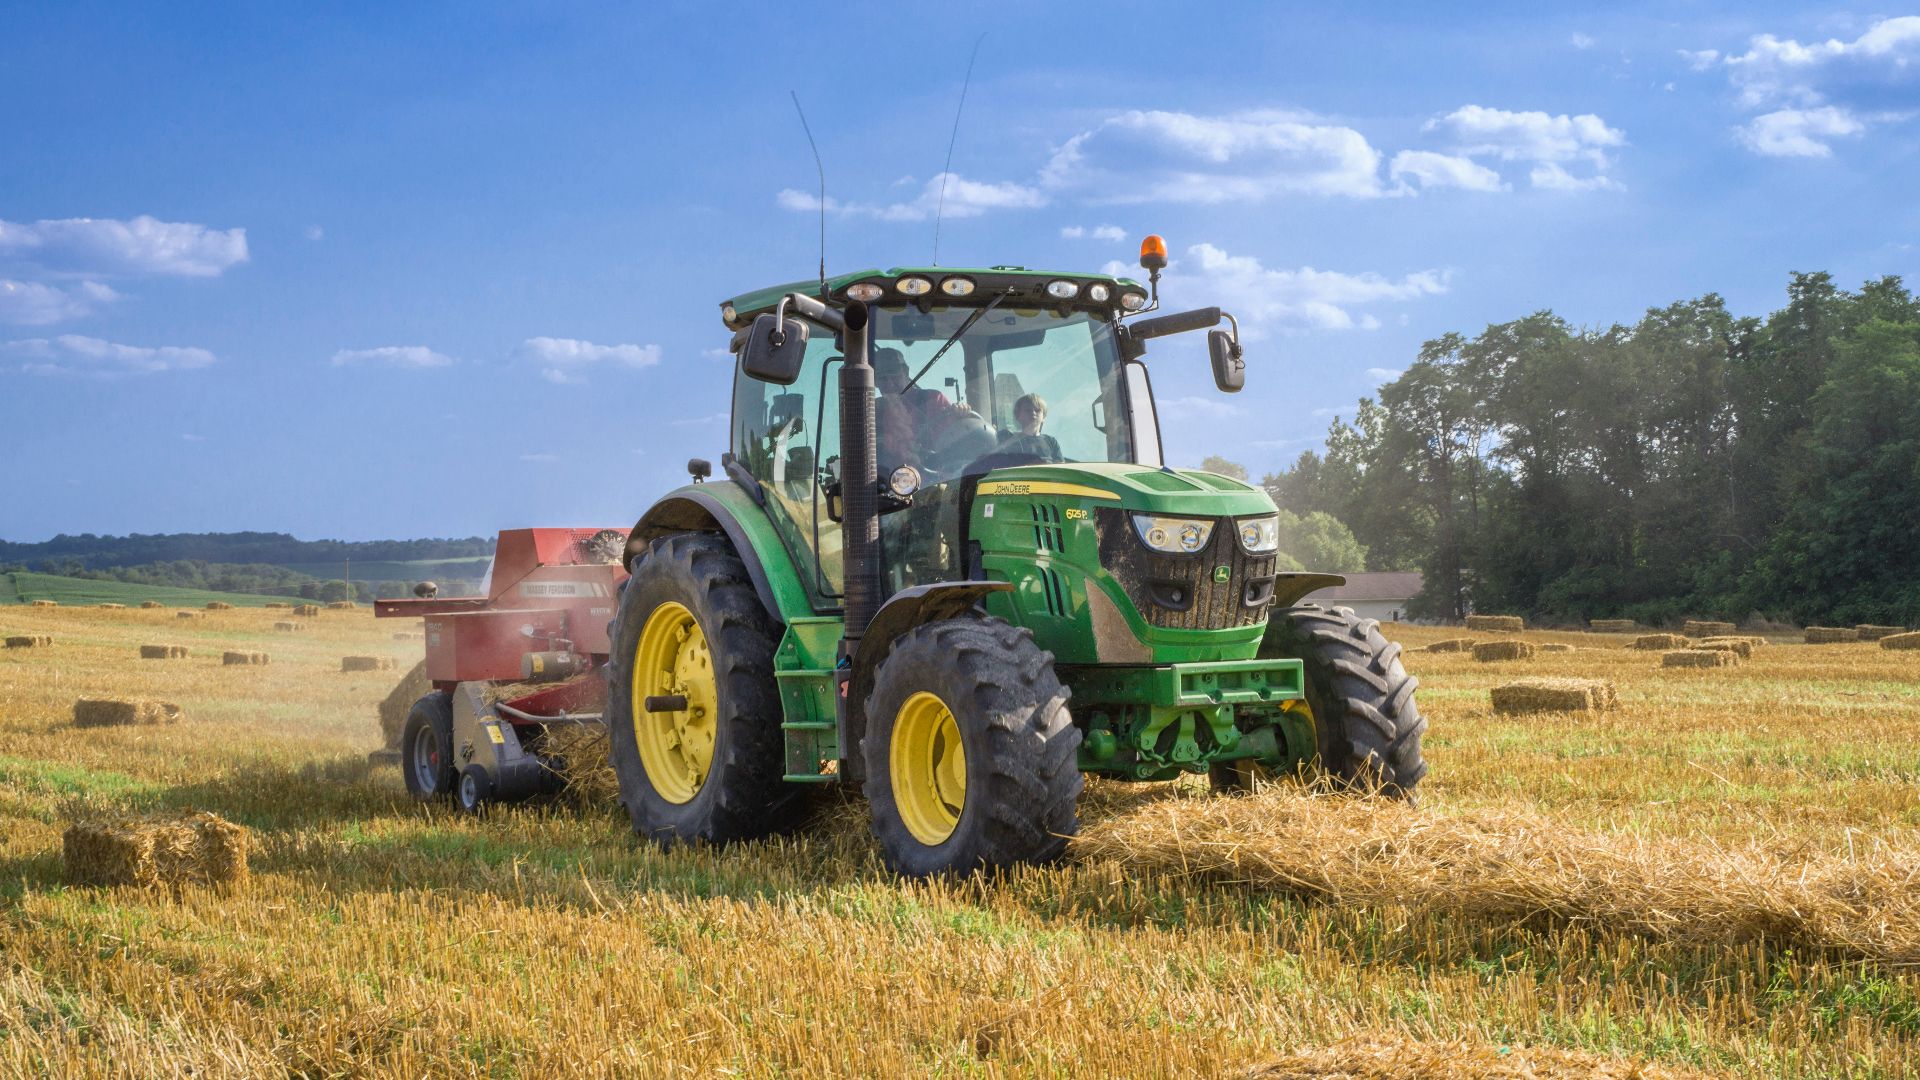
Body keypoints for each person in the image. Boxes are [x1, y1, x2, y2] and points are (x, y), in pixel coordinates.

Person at [996, 393, 1062, 461]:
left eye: (1037, 410)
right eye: (1028, 410)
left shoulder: (1051, 442)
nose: (1033, 413)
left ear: (1044, 417)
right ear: (1017, 416)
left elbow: (1061, 469)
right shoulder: (1008, 438)